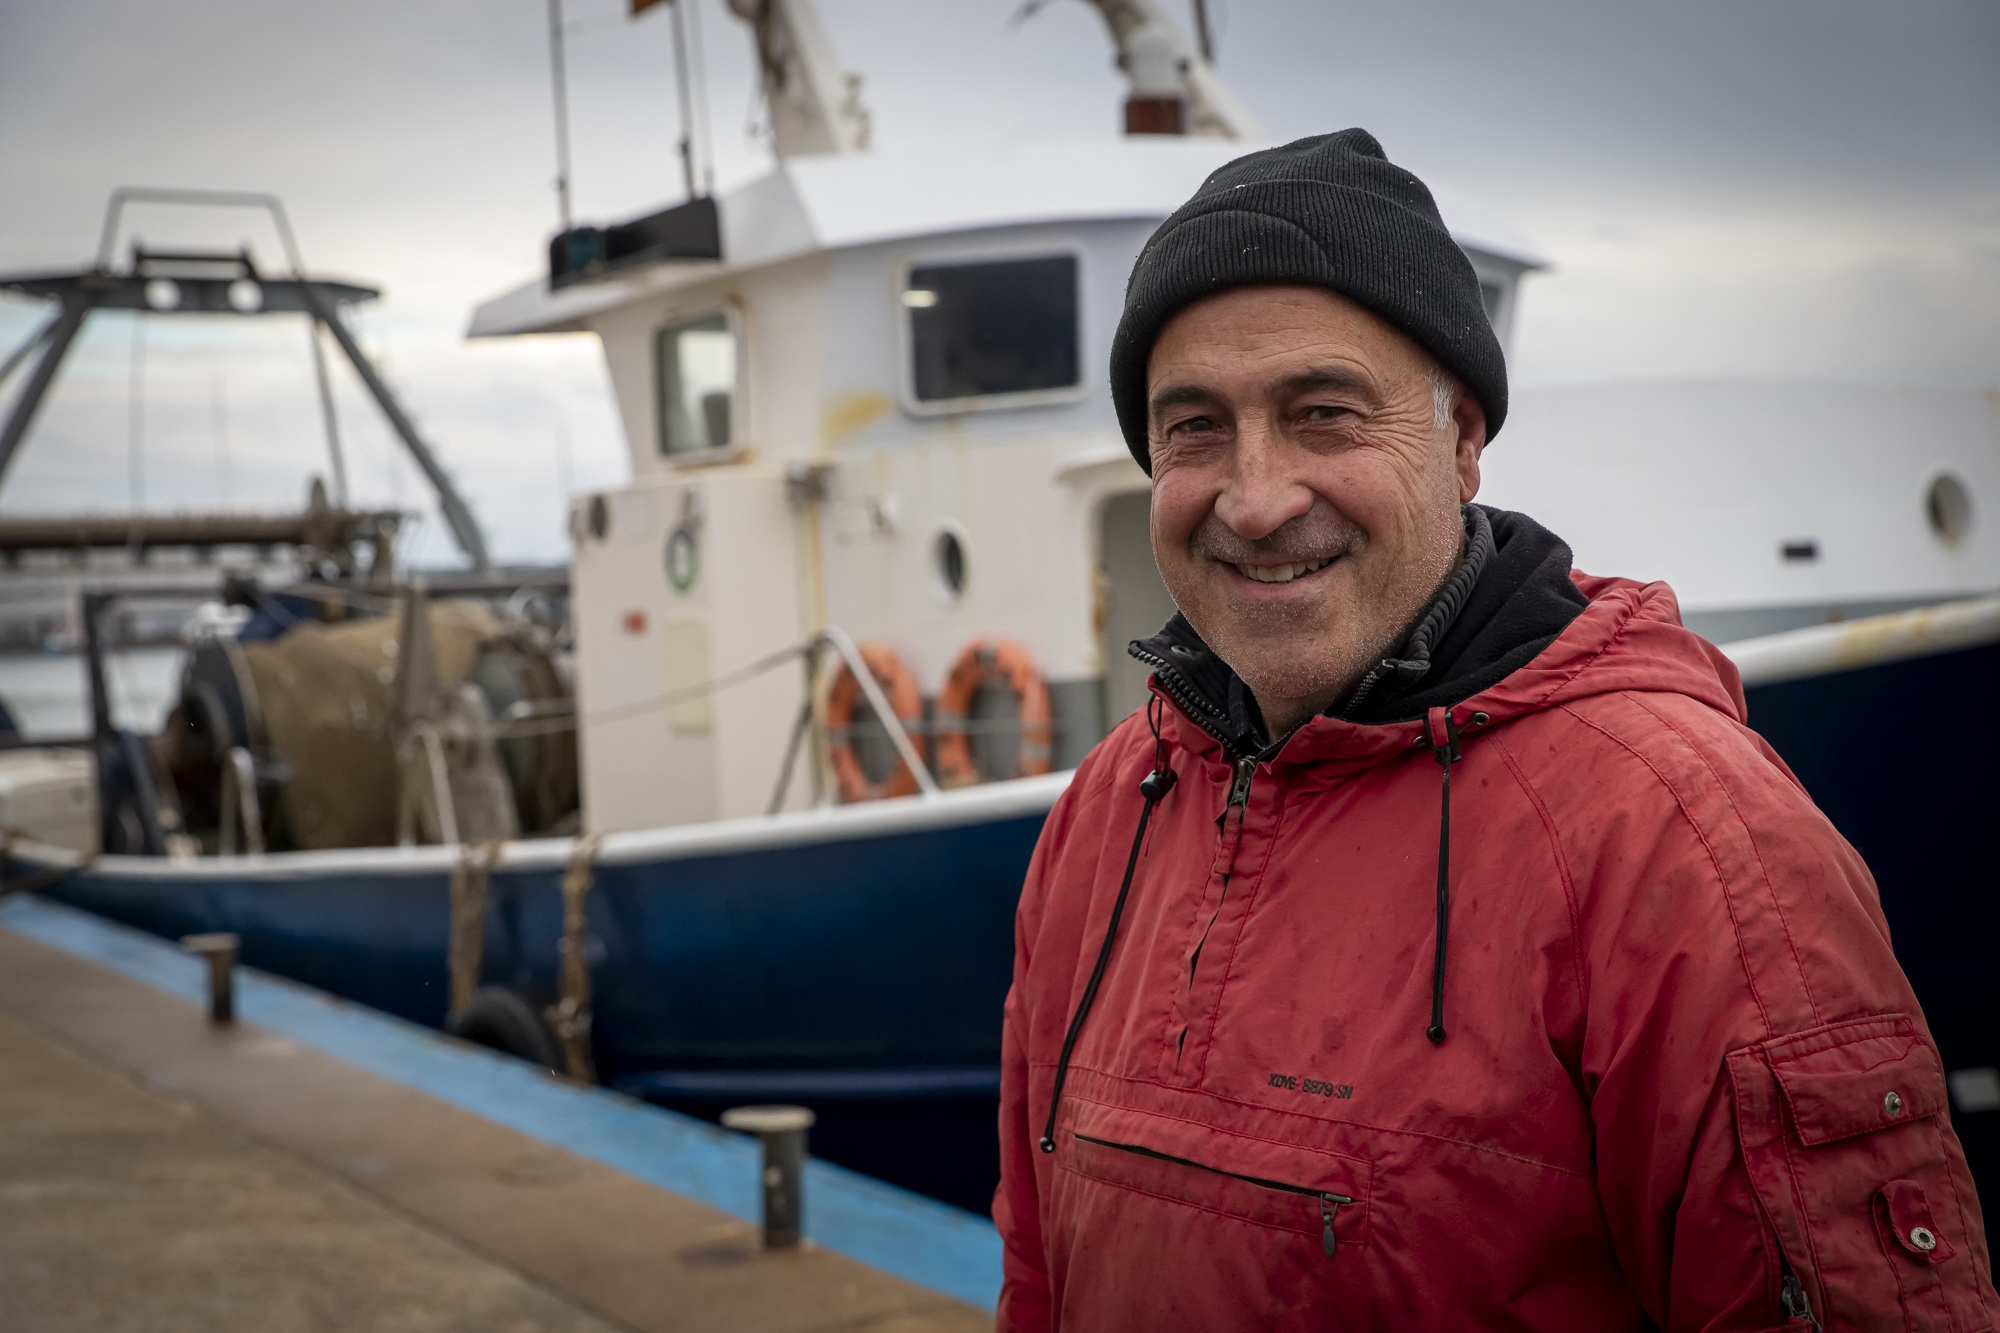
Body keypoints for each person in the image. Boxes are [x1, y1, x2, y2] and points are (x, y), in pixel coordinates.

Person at [993, 129, 1996, 1330]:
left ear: (1462, 440)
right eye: (1193, 427)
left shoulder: (1683, 843)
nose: (1252, 499)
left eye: (1322, 413)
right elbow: (1039, 1270)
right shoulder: (1112, 805)